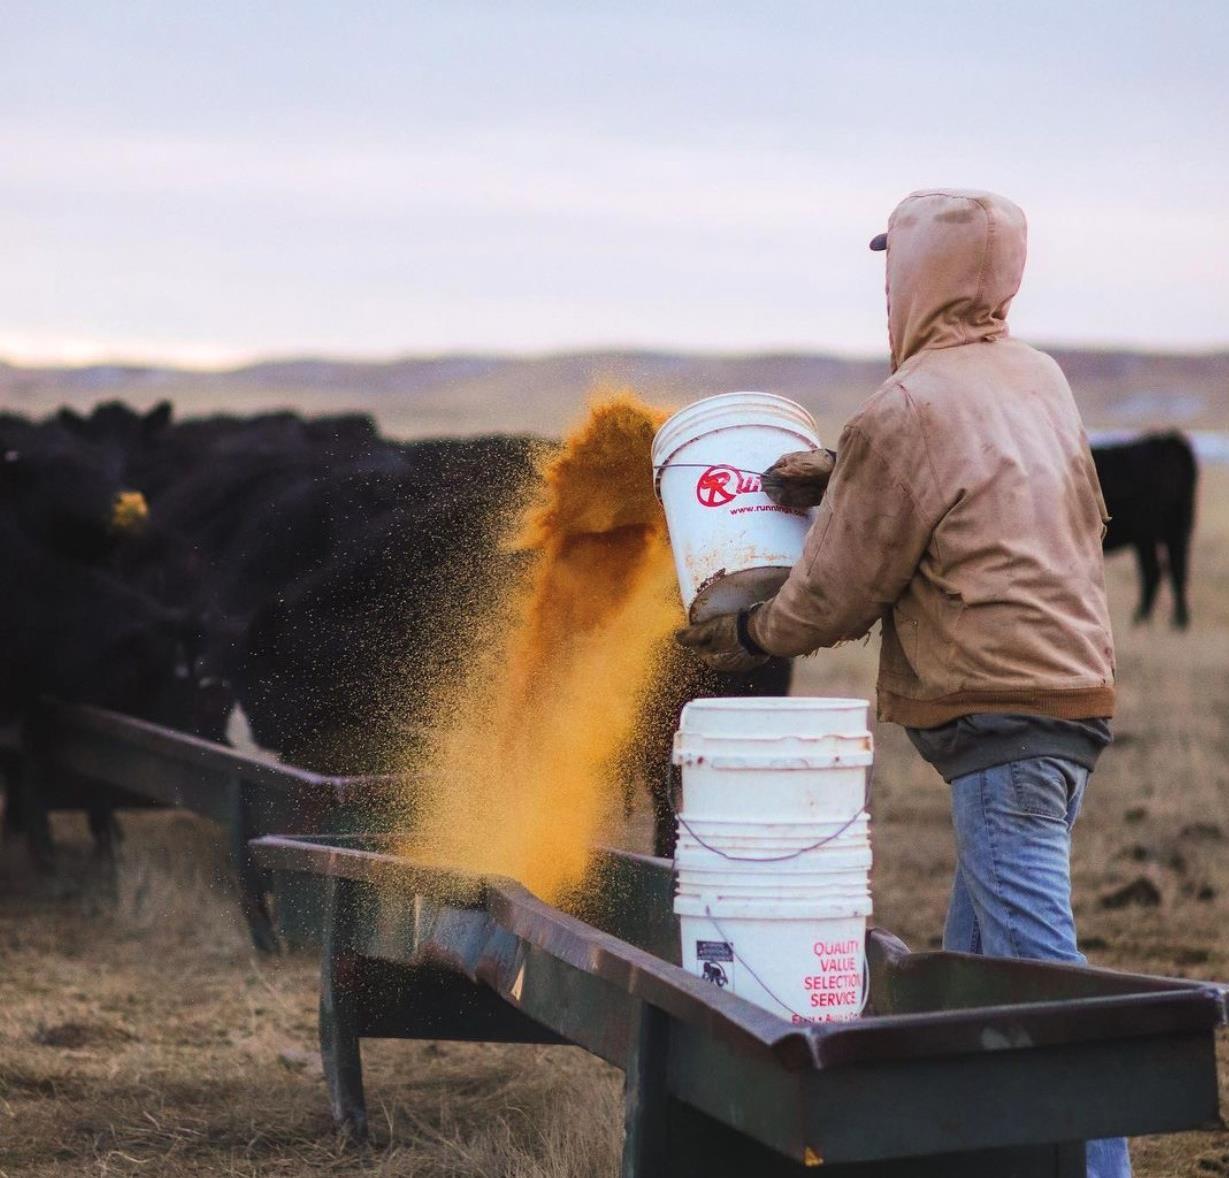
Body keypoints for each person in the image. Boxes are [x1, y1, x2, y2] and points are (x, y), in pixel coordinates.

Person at [675, 189, 1127, 1178]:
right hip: (1068, 704)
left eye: (894, 270)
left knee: (1045, 989)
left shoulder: (909, 405)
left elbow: (833, 593)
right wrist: (847, 474)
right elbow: (997, 488)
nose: (885, 288)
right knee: (961, 985)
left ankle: (1099, 1166)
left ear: (922, 278)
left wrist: (747, 630)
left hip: (1001, 723)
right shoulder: (1033, 377)